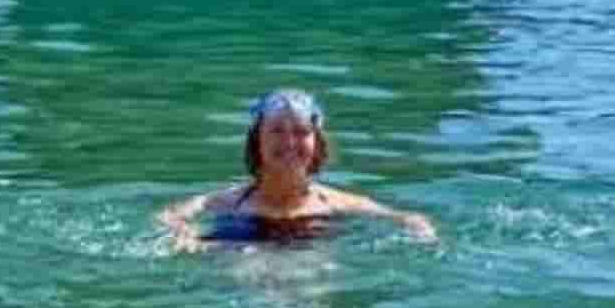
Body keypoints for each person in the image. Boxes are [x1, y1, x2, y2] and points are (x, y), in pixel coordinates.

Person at [160, 89, 437, 250]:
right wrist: (181, 231)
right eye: (277, 131)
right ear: (257, 140)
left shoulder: (337, 203)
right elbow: (170, 215)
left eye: (301, 132)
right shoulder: (227, 202)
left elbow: (403, 217)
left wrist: (416, 224)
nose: (289, 142)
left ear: (317, 144)